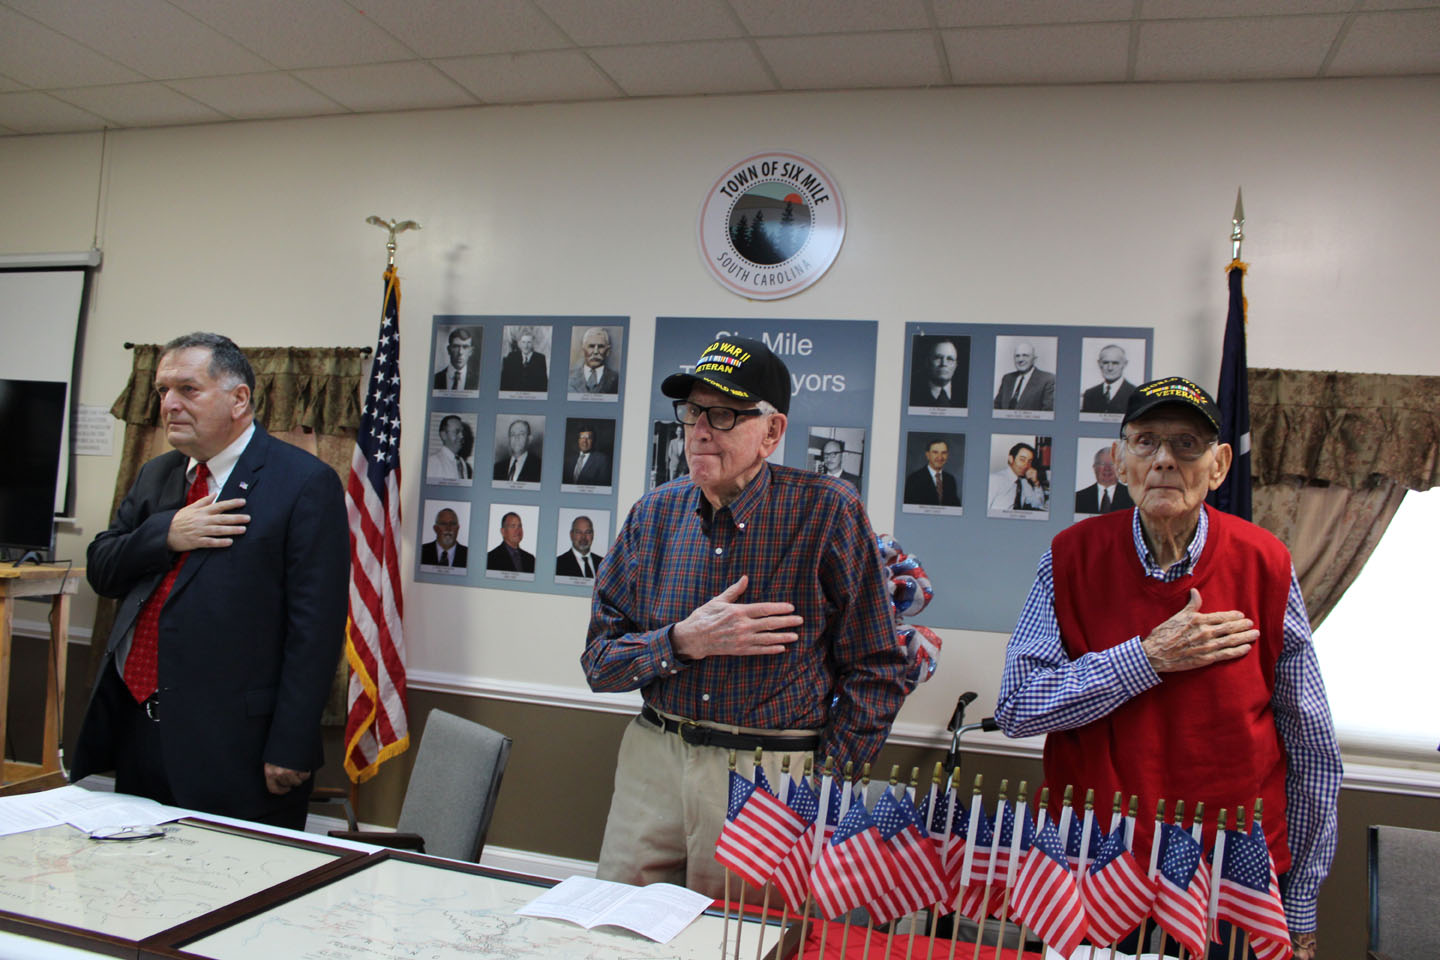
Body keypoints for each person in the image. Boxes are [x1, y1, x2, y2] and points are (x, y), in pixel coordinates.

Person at [996, 377, 1340, 960]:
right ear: (1118, 460)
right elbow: (1018, 706)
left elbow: (1310, 747)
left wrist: (1299, 903)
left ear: (1219, 464)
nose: (1164, 461)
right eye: (1146, 441)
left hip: (1233, 872)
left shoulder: (1266, 562)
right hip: (1093, 861)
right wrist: (1145, 659)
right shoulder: (1070, 557)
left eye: (1187, 444)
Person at [582, 335, 906, 898]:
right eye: (692, 412)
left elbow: (877, 667)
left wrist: (824, 783)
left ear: (772, 432)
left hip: (768, 775)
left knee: (746, 941)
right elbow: (599, 665)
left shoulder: (828, 511)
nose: (700, 429)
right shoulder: (653, 515)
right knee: (617, 931)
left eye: (724, 413)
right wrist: (682, 641)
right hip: (653, 764)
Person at [70, 332, 348, 829]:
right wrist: (166, 534)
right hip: (141, 730)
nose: (169, 404)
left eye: (187, 389)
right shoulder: (157, 476)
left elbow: (316, 630)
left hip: (238, 747)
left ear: (239, 398)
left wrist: (290, 744)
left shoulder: (303, 483)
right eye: (161, 391)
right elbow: (102, 568)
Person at [994, 339, 1056, 411]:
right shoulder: (1007, 378)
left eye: (1025, 355)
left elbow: (1047, 412)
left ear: (1034, 359)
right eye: (1017, 356)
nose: (1020, 359)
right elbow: (996, 407)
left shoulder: (1048, 379)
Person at [987, 441, 1047, 512]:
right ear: (1011, 459)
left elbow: (1038, 504)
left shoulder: (1023, 481)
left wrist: (1036, 483)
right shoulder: (994, 480)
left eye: (1029, 462)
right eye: (1022, 459)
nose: (1026, 465)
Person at [1074, 446, 1134, 515]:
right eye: (1102, 464)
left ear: (1119, 468)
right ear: (1094, 467)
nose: (1107, 468)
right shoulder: (1079, 498)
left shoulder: (1132, 497)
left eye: (1112, 464)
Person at [902, 437, 961, 506]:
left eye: (943, 453)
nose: (940, 457)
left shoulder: (950, 480)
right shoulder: (914, 479)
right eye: (935, 452)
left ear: (947, 455)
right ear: (927, 455)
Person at [909, 337, 966, 407]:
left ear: (956, 365)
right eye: (938, 358)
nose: (944, 363)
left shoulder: (965, 394)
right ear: (927, 363)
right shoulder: (912, 394)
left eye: (950, 359)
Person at [1080, 344, 1136, 414]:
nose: (1110, 368)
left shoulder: (1135, 394)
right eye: (1105, 362)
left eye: (1115, 363)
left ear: (1124, 364)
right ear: (1099, 364)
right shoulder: (1090, 394)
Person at [568, 326, 619, 394]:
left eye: (601, 346)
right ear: (583, 350)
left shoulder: (617, 379)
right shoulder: (568, 377)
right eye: (591, 346)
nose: (595, 351)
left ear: (608, 351)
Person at [492, 418, 541, 482]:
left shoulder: (539, 467)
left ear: (529, 439)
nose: (516, 438)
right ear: (509, 439)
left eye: (521, 434)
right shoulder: (497, 468)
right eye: (513, 434)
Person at [556, 514, 603, 579]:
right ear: (571, 535)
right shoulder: (558, 564)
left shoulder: (603, 563)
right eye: (578, 532)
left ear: (593, 535)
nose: (583, 537)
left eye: (588, 532)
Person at [427, 415, 472, 481]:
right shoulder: (432, 463)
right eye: (457, 432)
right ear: (443, 435)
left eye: (462, 432)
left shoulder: (462, 463)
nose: (462, 436)